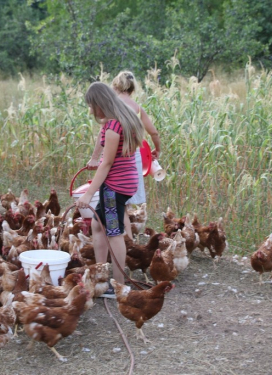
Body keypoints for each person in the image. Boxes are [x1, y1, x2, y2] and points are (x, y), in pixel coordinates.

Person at [77, 82, 144, 298]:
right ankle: (102, 275)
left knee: (113, 233)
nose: (91, 111)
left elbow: (107, 165)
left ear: (100, 103)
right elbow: (108, 157)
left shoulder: (114, 126)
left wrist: (88, 194)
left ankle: (117, 286)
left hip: (114, 187)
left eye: (92, 106)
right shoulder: (120, 118)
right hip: (122, 182)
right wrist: (95, 157)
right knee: (98, 225)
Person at [87, 71, 161, 237]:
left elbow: (105, 152)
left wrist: (95, 158)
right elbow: (154, 133)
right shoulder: (136, 108)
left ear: (114, 87)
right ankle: (126, 240)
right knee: (114, 214)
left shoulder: (112, 112)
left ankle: (123, 243)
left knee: (113, 226)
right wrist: (157, 150)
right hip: (131, 163)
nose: (91, 111)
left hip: (114, 177)